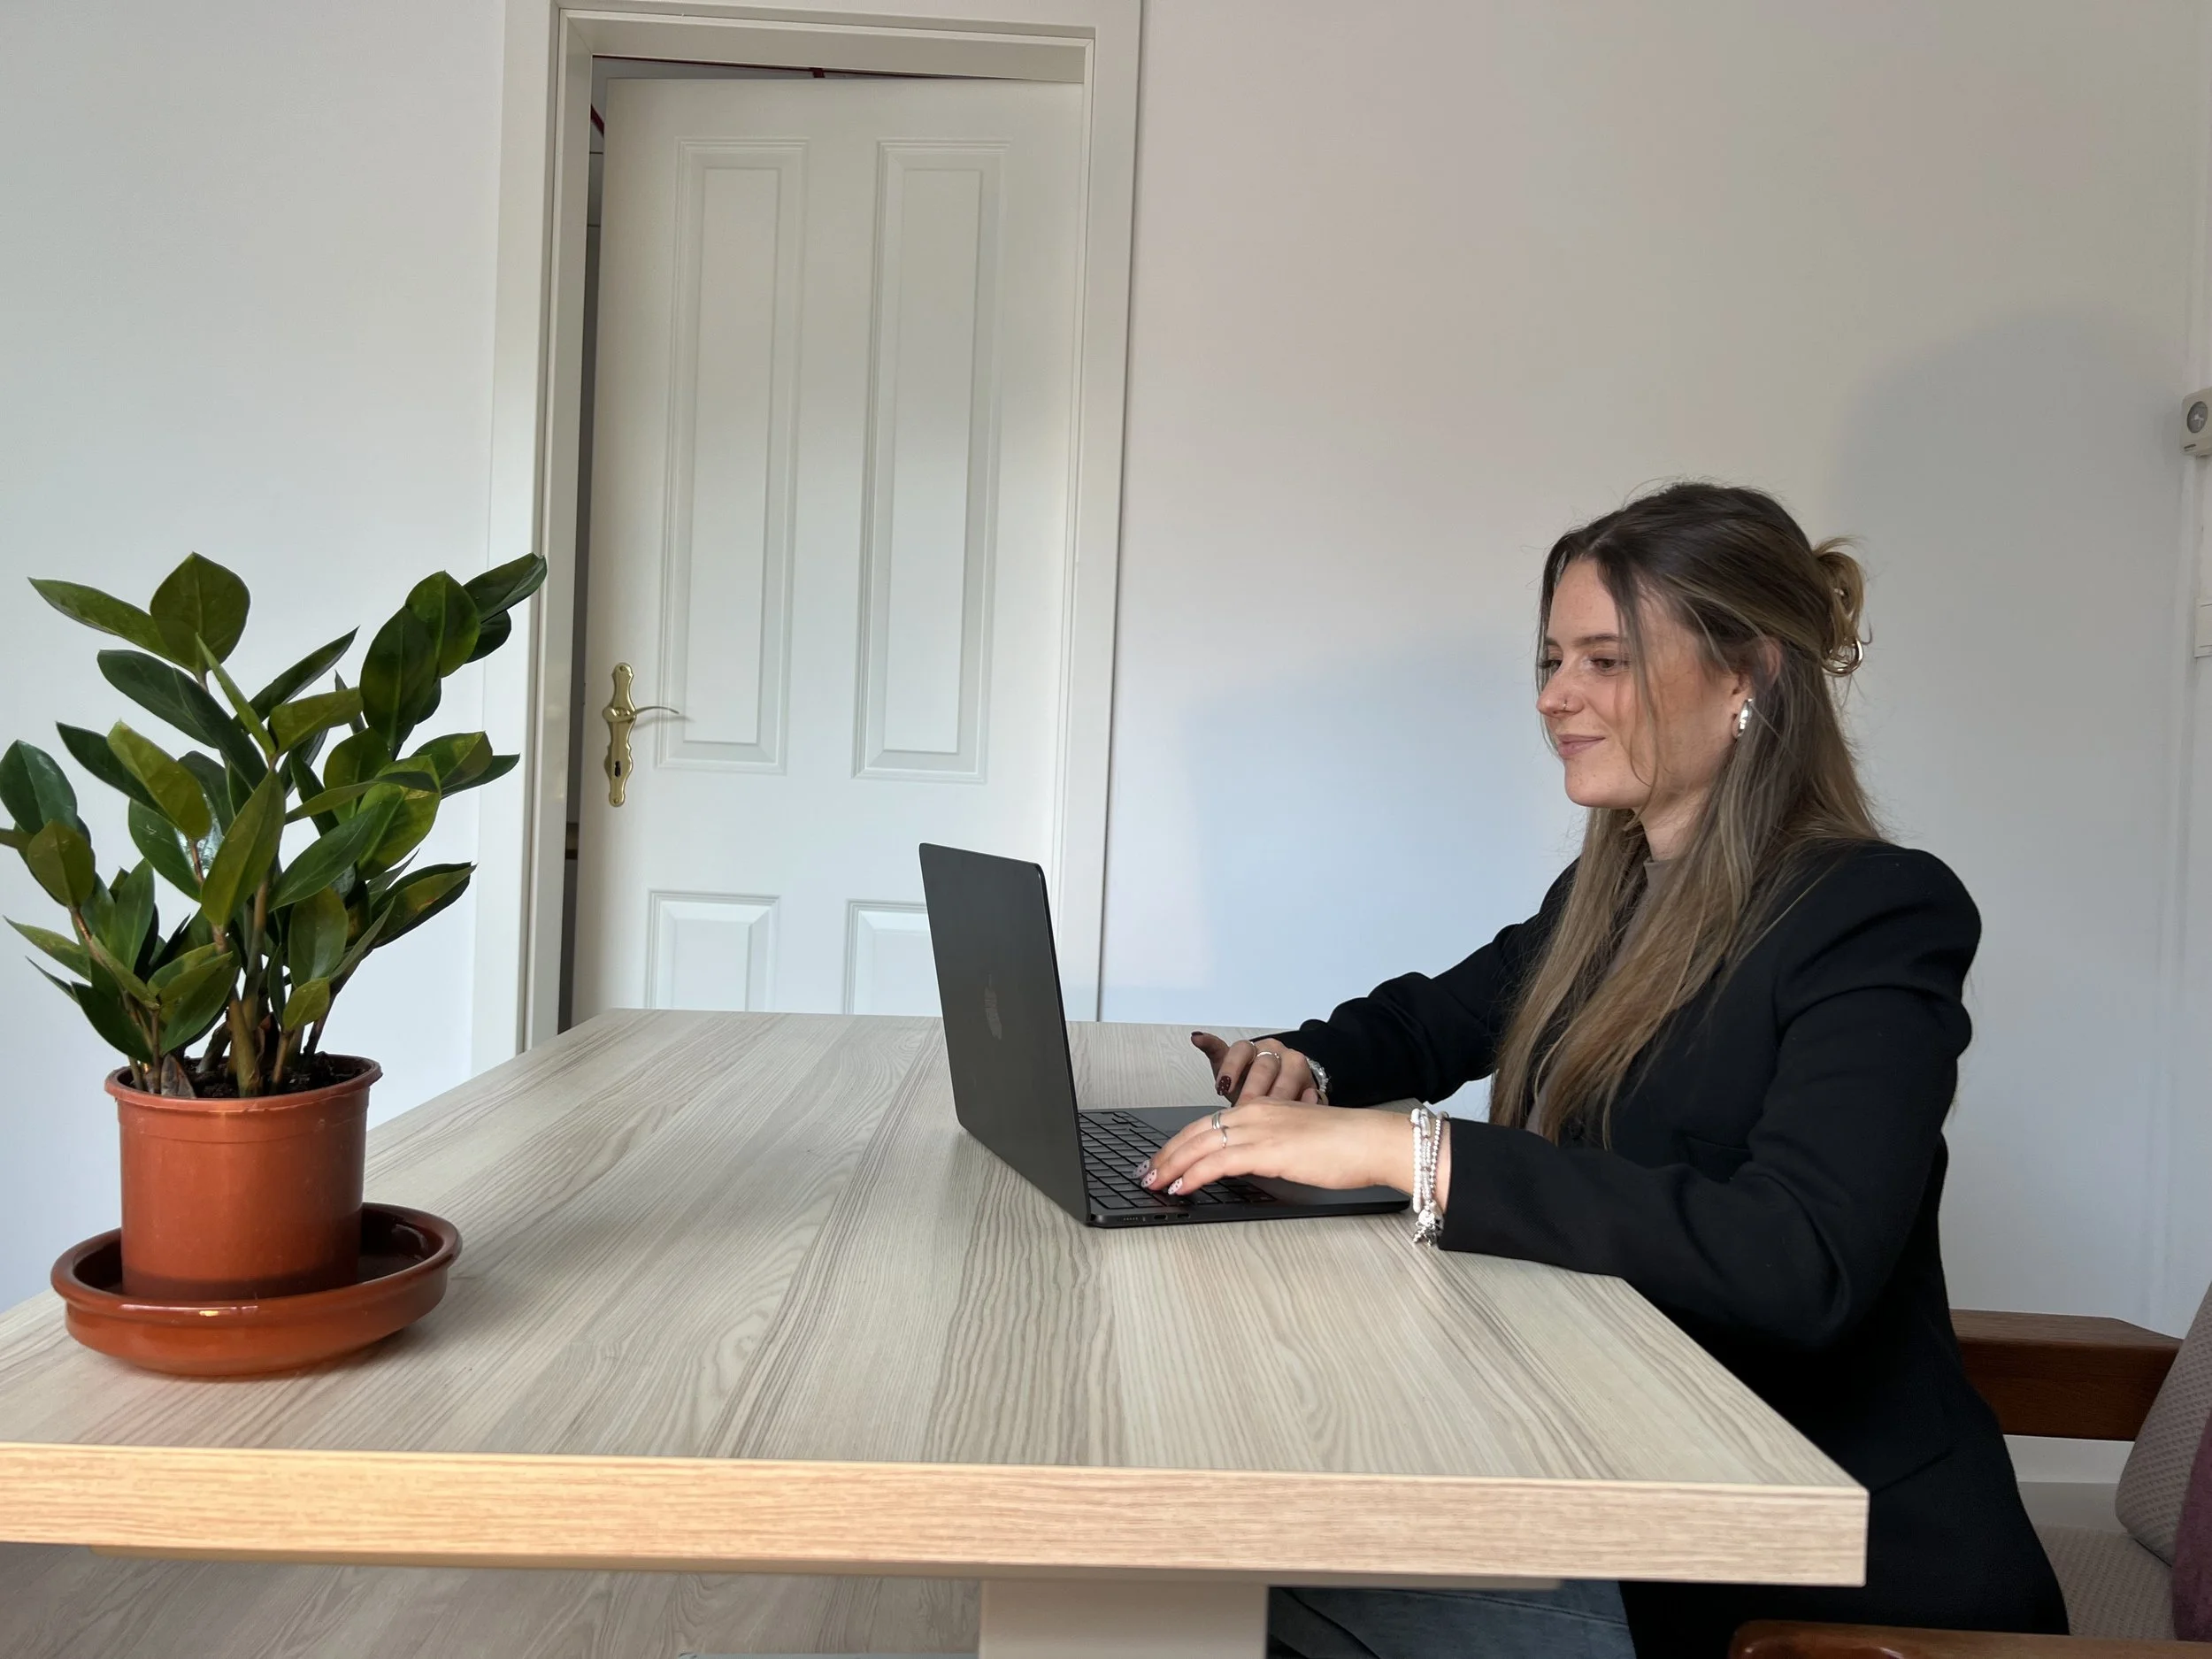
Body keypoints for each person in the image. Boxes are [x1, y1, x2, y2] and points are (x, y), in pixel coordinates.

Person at [1141, 483, 2069, 1659]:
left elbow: (1800, 1257)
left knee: (1221, 1584)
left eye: (1605, 661)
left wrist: (1409, 1152)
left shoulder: (1873, 915)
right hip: (1618, 1471)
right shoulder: (1611, 891)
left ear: (1748, 677)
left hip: (1813, 1571)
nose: (1553, 696)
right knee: (1238, 1547)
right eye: (1551, 659)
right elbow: (1434, 1021)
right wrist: (1302, 1063)